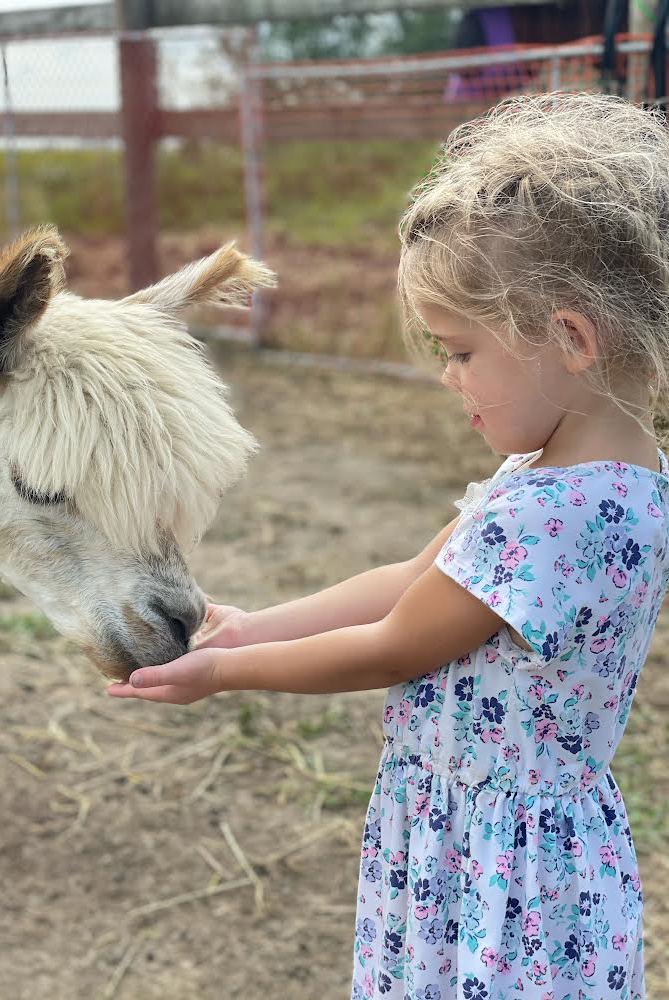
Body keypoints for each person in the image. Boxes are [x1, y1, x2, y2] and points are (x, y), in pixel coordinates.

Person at [108, 91, 669, 999]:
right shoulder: (600, 477)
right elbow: (414, 578)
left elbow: (395, 642)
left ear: (569, 337)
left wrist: (223, 674)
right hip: (523, 845)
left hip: (494, 872)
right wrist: (251, 628)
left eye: (458, 351)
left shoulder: (548, 517)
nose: (448, 379)